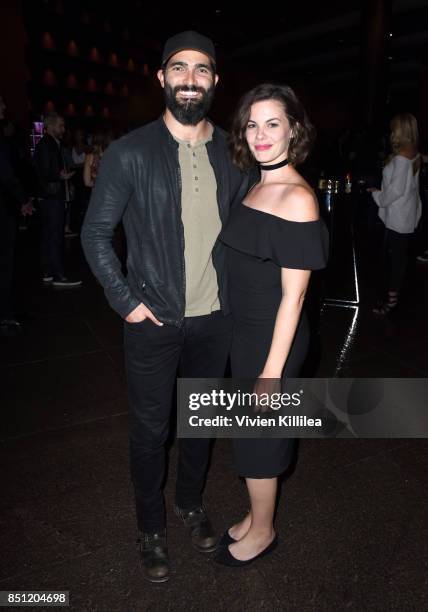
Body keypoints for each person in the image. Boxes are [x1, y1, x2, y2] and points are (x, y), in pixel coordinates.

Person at [81, 31, 250, 583]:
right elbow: (95, 233)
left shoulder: (233, 151)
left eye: (202, 70)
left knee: (201, 424)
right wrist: (126, 301)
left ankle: (190, 503)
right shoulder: (131, 151)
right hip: (152, 320)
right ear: (161, 77)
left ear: (215, 81)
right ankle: (151, 526)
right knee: (151, 432)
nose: (190, 79)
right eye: (180, 68)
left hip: (216, 320)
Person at [215, 83, 328, 567]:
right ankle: (253, 515)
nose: (260, 134)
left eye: (273, 123)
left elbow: (295, 296)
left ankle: (263, 531)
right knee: (248, 431)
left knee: (261, 436)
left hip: (271, 338)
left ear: (293, 130)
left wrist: (271, 371)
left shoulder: (298, 198)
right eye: (252, 124)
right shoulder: (257, 183)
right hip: (245, 331)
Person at [368, 113, 421, 315]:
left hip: (399, 216)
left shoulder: (401, 159)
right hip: (407, 212)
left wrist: (377, 195)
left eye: (393, 129)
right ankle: (395, 296)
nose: (391, 133)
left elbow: (396, 191)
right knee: (399, 258)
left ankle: (391, 301)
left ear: (400, 132)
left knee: (396, 260)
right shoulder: (413, 153)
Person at [34, 113, 81, 287]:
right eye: (61, 125)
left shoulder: (48, 144)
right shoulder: (48, 144)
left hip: (48, 197)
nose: (63, 129)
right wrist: (60, 176)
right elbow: (46, 172)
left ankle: (48, 271)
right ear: (51, 126)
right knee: (55, 236)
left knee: (48, 236)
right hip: (52, 197)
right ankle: (58, 275)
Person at [0, 95, 34, 335]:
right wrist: (22, 200)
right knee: (5, 262)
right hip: (2, 210)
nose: (4, 106)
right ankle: (5, 316)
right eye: (0, 102)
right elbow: (6, 174)